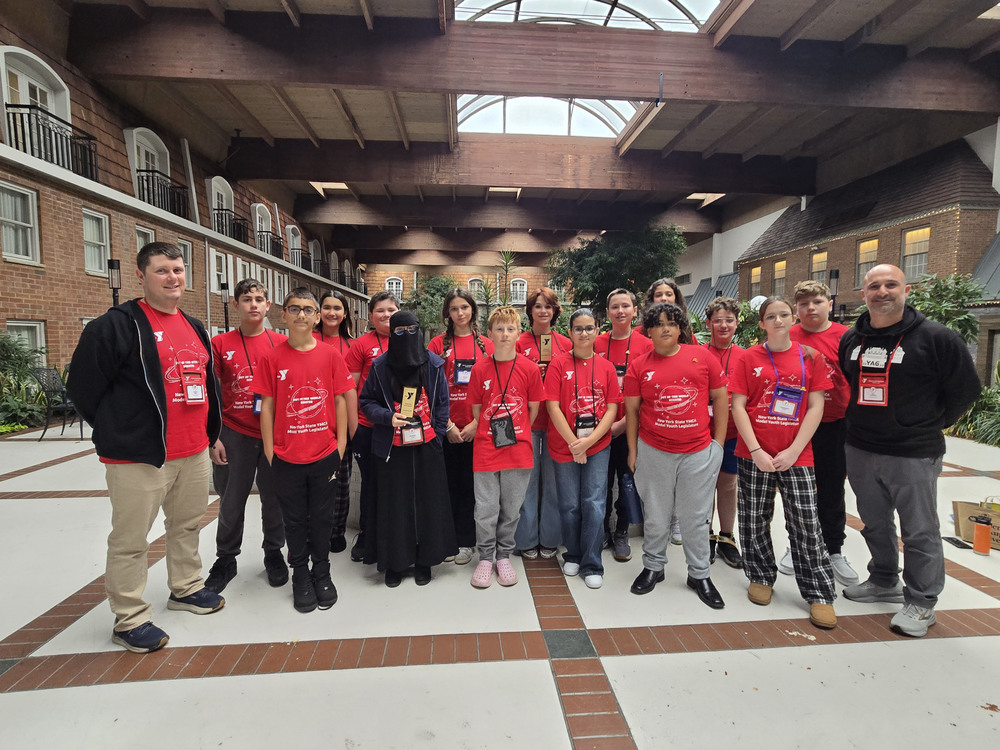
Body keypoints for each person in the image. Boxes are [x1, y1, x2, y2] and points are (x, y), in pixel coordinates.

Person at [69, 242, 225, 653]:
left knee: (187, 525)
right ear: (141, 275)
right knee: (131, 539)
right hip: (140, 457)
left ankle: (186, 588)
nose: (173, 277)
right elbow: (84, 389)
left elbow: (206, 386)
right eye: (162, 270)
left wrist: (210, 435)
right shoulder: (115, 326)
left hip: (192, 452)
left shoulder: (194, 325)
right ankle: (130, 618)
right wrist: (121, 431)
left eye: (178, 269)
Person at [839, 264, 980, 637]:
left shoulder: (936, 338)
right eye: (874, 286)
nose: (882, 291)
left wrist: (924, 424)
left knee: (919, 529)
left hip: (913, 452)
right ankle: (883, 578)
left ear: (907, 289)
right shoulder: (853, 340)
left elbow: (965, 390)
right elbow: (851, 383)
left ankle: (921, 601)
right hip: (861, 447)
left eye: (890, 284)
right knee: (874, 522)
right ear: (864, 293)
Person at [729, 295, 838, 630]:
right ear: (761, 323)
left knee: (805, 521)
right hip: (754, 453)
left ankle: (819, 592)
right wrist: (757, 449)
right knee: (753, 518)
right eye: (771, 316)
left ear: (794, 320)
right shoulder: (748, 358)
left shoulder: (811, 357)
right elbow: (738, 405)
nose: (778, 321)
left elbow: (816, 407)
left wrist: (793, 450)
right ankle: (761, 575)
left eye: (784, 315)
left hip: (797, 454)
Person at [254, 288, 352, 613]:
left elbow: (340, 400)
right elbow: (266, 406)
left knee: (322, 518)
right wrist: (270, 451)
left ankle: (321, 571)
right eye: (294, 309)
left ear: (317, 317)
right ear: (282, 315)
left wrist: (339, 447)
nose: (301, 315)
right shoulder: (271, 358)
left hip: (324, 454)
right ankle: (300, 574)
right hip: (285, 456)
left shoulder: (330, 355)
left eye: (308, 310)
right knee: (293, 520)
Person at [625, 303, 728, 608]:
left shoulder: (702, 358)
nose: (666, 328)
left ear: (681, 327)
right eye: (658, 324)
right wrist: (633, 451)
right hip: (654, 449)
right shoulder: (639, 365)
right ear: (649, 330)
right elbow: (631, 410)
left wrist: (718, 444)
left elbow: (722, 398)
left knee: (695, 517)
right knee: (655, 515)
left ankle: (699, 574)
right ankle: (654, 567)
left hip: (697, 451)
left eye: (672, 323)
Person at [359, 310, 457, 587]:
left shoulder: (434, 365)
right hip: (392, 447)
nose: (405, 336)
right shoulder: (380, 366)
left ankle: (425, 560)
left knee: (427, 504)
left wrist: (436, 436)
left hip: (426, 447)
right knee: (395, 505)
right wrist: (386, 417)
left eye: (411, 330)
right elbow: (366, 401)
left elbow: (441, 405)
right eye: (398, 331)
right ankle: (395, 562)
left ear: (420, 331)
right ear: (391, 333)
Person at [205, 278, 288, 594]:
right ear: (237, 305)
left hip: (272, 435)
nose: (253, 304)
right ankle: (226, 558)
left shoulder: (282, 343)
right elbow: (211, 395)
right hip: (234, 433)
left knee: (274, 499)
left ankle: (273, 553)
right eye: (247, 299)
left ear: (268, 306)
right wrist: (214, 437)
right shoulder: (220, 344)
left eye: (259, 299)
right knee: (230, 501)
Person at [782, 280, 857, 584]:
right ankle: (796, 544)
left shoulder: (847, 336)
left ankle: (833, 549)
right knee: (796, 489)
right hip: (794, 424)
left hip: (834, 422)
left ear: (828, 303)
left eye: (816, 301)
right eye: (803, 303)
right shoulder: (788, 335)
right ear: (796, 309)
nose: (810, 307)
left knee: (831, 487)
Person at [467, 306, 544, 588]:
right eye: (499, 329)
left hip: (518, 450)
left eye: (510, 329)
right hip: (487, 449)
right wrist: (492, 430)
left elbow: (533, 410)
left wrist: (518, 430)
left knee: (511, 508)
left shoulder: (529, 369)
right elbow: (477, 410)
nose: (504, 334)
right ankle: (485, 557)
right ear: (489, 334)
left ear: (518, 333)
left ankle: (504, 556)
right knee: (486, 507)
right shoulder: (480, 368)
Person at [545, 308, 622, 589]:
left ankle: (592, 562)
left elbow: (613, 408)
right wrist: (574, 444)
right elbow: (552, 406)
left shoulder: (607, 367)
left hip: (598, 445)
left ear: (598, 330)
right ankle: (573, 554)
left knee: (593, 503)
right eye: (578, 328)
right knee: (570, 505)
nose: (584, 333)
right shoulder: (557, 365)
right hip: (564, 444)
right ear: (570, 332)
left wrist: (588, 443)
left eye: (589, 328)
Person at [429, 289, 494, 566]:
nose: (460, 313)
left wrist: (476, 424)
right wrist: (447, 426)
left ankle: (468, 541)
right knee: (447, 487)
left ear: (473, 310)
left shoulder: (486, 346)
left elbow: (495, 390)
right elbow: (428, 389)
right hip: (448, 429)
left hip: (477, 428)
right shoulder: (436, 345)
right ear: (447, 313)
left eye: (464, 307)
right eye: (454, 308)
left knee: (471, 489)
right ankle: (448, 540)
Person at [595, 288, 652, 562]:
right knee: (601, 484)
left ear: (634, 310)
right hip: (597, 429)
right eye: (614, 307)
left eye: (625, 306)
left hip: (630, 429)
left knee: (627, 481)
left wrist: (620, 425)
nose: (620, 311)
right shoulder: (596, 343)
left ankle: (621, 532)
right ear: (607, 312)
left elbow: (649, 393)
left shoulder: (646, 345)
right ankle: (602, 530)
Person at [514, 287, 570, 559]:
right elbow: (508, 377)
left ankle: (549, 538)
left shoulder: (566, 343)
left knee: (553, 484)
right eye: (538, 306)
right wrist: (530, 372)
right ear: (530, 311)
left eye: (548, 306)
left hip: (557, 424)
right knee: (527, 482)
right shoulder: (519, 342)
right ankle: (525, 539)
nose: (543, 311)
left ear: (555, 310)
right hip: (527, 421)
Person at [344, 290, 400, 561]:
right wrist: (354, 428)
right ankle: (367, 534)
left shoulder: (406, 341)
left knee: (394, 482)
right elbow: (350, 388)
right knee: (370, 482)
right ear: (371, 316)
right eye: (381, 311)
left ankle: (394, 534)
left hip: (399, 426)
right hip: (368, 425)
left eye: (391, 310)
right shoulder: (361, 345)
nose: (386, 315)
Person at [313, 290, 358, 553]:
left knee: (340, 479)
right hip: (312, 422)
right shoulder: (306, 339)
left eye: (337, 308)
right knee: (313, 481)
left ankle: (337, 531)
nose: (332, 313)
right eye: (327, 307)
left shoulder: (353, 345)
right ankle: (313, 530)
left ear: (345, 313)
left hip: (342, 423)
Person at [702, 297, 745, 569]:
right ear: (708, 323)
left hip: (732, 432)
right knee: (704, 486)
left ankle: (727, 536)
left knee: (728, 485)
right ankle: (705, 536)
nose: (723, 325)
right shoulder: (697, 353)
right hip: (701, 433)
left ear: (737, 323)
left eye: (729, 320)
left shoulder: (746, 356)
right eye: (717, 320)